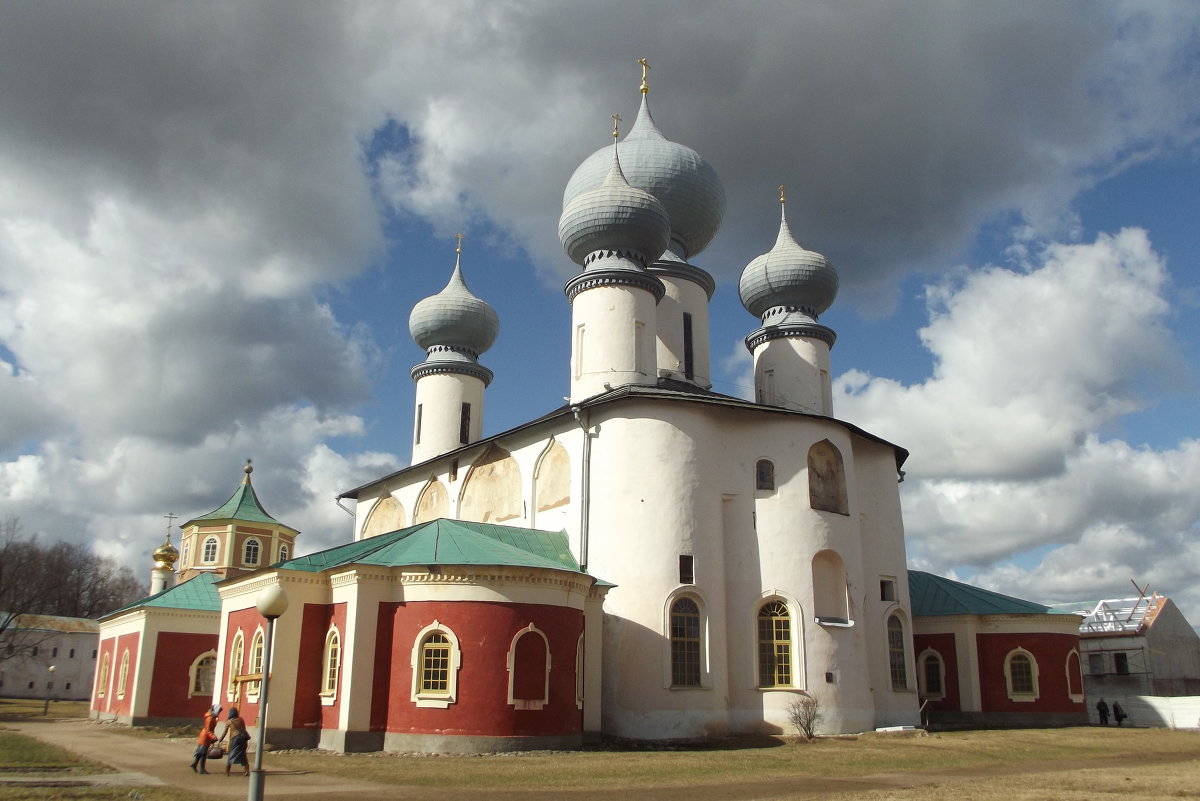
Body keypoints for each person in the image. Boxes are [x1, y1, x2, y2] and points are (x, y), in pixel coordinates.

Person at [218, 706, 251, 777]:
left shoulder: (229, 721)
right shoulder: (241, 719)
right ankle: (246, 771)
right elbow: (244, 728)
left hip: (235, 739)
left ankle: (227, 772)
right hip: (243, 738)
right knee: (243, 755)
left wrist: (220, 740)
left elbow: (225, 732)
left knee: (231, 755)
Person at [190, 704, 221, 773]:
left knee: (200, 752)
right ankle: (202, 769)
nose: (219, 713)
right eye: (218, 711)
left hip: (206, 736)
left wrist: (212, 737)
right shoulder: (210, 718)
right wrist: (213, 737)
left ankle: (195, 764)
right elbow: (208, 730)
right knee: (203, 753)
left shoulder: (211, 717)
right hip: (205, 736)